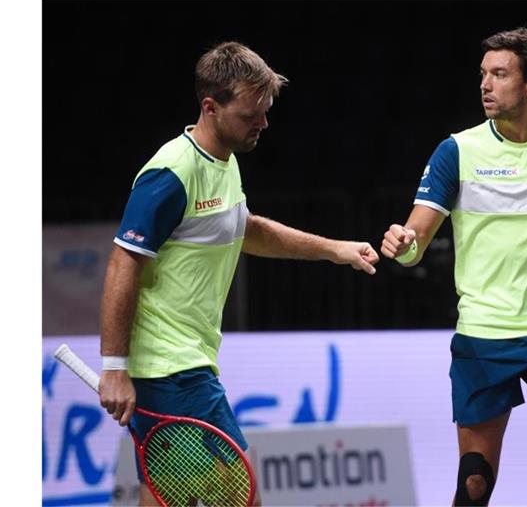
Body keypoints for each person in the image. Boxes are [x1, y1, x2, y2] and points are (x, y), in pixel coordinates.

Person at [98, 41, 379, 506]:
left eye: (265, 112)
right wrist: (114, 368)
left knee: (167, 494)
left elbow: (245, 229)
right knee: (241, 495)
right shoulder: (172, 172)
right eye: (252, 115)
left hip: (185, 360)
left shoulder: (223, 163)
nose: (263, 124)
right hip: (170, 367)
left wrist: (335, 250)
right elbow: (122, 261)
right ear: (211, 107)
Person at [381, 28, 527, 506]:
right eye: (483, 75)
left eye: (499, 74)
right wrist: (402, 244)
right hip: (485, 333)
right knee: (475, 482)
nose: (485, 85)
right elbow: (416, 240)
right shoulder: (458, 151)